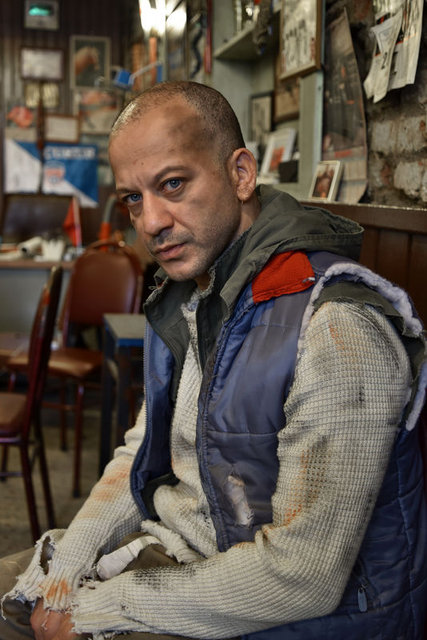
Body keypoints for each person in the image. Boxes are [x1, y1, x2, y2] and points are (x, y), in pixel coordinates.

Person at [1, 81, 426, 640]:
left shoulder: (336, 326)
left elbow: (306, 577)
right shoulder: (195, 294)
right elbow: (143, 449)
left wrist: (95, 609)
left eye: (173, 184)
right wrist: (66, 570)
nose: (151, 222)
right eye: (133, 198)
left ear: (241, 174)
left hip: (304, 614)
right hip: (184, 558)